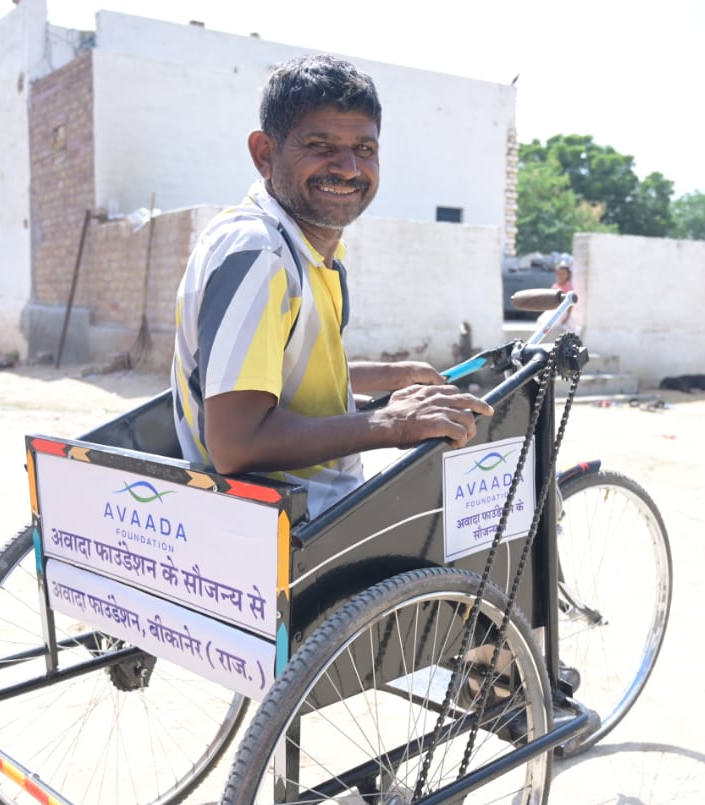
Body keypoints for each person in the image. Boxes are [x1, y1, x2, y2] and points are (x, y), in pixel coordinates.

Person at [172, 55, 493, 519]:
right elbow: (237, 443)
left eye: (364, 148)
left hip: (315, 509)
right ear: (265, 153)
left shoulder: (305, 250)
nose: (347, 168)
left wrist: (394, 377)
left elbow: (279, 375)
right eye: (320, 145)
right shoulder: (259, 254)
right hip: (289, 526)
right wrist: (393, 423)